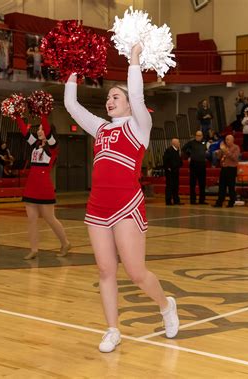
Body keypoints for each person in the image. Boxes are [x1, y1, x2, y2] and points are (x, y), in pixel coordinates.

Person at [64, 44, 179, 353]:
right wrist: (72, 70)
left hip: (127, 204)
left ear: (129, 104)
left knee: (136, 272)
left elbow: (139, 95)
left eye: (116, 96)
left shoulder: (139, 126)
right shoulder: (100, 128)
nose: (109, 100)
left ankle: (165, 304)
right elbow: (72, 106)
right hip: (97, 207)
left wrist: (135, 59)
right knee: (105, 270)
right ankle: (112, 329)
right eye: (108, 97)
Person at [14, 116, 70, 260]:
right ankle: (34, 249)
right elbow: (25, 133)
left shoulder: (53, 147)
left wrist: (42, 114)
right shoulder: (36, 145)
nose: (39, 131)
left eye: (41, 129)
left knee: (50, 218)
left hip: (44, 187)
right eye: (38, 129)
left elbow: (49, 132)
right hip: (31, 187)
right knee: (31, 220)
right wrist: (17, 116)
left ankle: (65, 243)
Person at [213, 135, 240, 208]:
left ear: (232, 140)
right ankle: (219, 202)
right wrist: (217, 153)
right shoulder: (224, 147)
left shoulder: (236, 148)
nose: (226, 141)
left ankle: (231, 202)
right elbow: (220, 157)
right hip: (224, 168)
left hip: (231, 169)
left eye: (228, 139)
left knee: (231, 186)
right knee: (222, 186)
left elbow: (235, 158)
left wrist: (226, 151)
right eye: (226, 139)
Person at [183, 131, 208, 204]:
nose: (198, 137)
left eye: (200, 135)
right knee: (193, 183)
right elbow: (184, 149)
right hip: (194, 164)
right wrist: (189, 155)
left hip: (202, 164)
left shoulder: (204, 143)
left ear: (202, 136)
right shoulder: (191, 142)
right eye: (197, 135)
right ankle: (193, 200)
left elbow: (205, 150)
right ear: (195, 136)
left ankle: (202, 200)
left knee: (202, 183)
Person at [163, 138, 183, 205]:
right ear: (174, 143)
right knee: (170, 186)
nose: (179, 143)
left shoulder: (177, 150)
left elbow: (179, 160)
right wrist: (168, 168)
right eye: (178, 142)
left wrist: (180, 165)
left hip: (176, 171)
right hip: (170, 172)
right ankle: (168, 201)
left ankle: (176, 200)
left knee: (176, 186)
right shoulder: (169, 150)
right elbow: (165, 160)